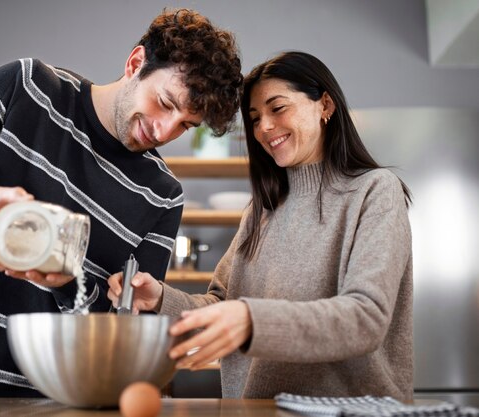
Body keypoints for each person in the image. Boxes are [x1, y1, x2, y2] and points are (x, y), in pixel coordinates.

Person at [0, 8, 242, 397]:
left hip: (43, 405)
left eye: (185, 125)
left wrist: (69, 283)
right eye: (164, 102)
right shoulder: (28, 87)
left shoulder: (163, 194)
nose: (165, 130)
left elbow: (124, 328)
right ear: (135, 64)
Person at [108, 51, 414, 401]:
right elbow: (223, 305)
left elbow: (366, 318)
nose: (264, 127)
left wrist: (252, 320)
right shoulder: (261, 210)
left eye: (277, 108)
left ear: (325, 105)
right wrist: (161, 299)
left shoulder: (374, 191)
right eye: (254, 118)